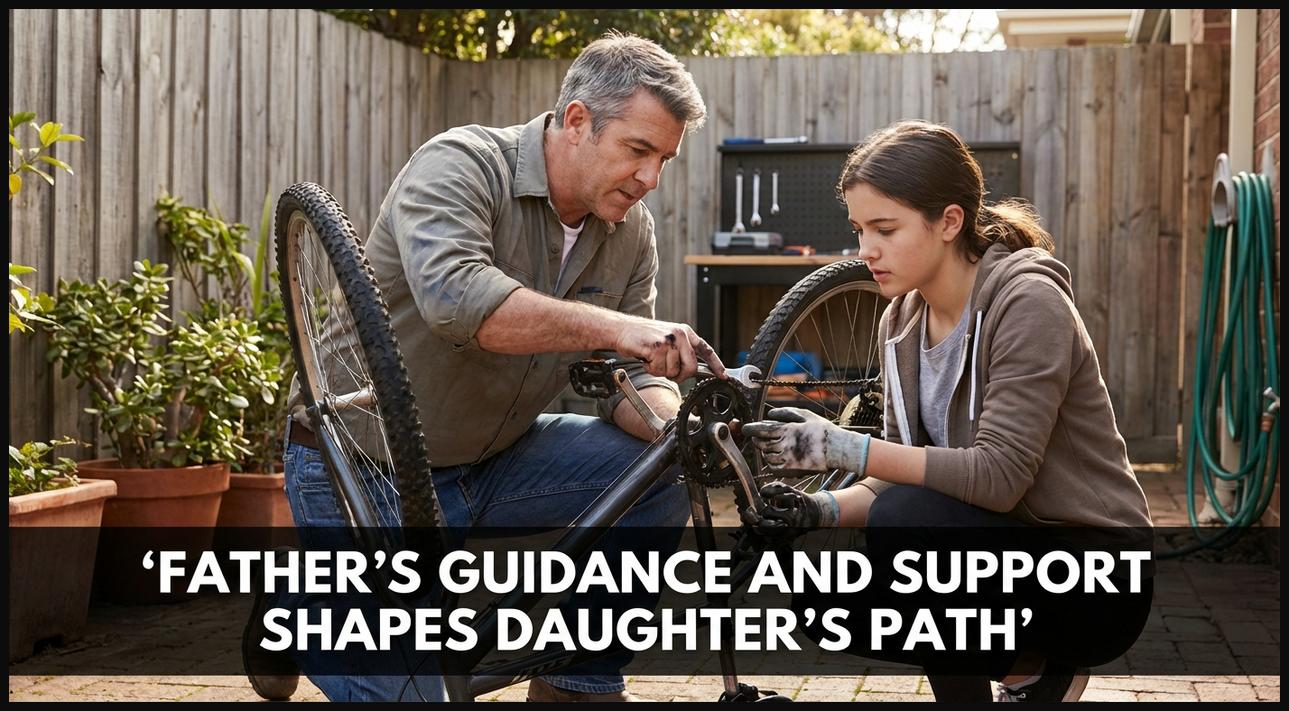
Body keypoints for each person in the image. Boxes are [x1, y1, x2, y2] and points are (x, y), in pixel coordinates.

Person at [259, 32, 726, 702]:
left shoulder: (631, 231)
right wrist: (620, 327)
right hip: (363, 469)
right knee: (421, 696)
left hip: (496, 463)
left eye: (664, 160)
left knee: (663, 466)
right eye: (638, 150)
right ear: (577, 121)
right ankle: (296, 609)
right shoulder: (460, 165)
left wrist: (676, 425)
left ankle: (575, 679)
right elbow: (459, 302)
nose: (650, 178)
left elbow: (625, 376)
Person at [742, 120, 1154, 703]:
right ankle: (1027, 677)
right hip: (1001, 555)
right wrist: (816, 510)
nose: (866, 251)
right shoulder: (901, 319)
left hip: (1094, 578)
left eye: (886, 229)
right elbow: (892, 474)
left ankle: (1030, 671)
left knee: (909, 522)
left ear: (949, 222)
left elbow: (999, 477)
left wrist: (841, 447)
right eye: (860, 230)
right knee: (818, 597)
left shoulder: (1028, 302)